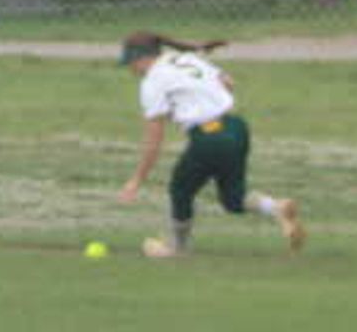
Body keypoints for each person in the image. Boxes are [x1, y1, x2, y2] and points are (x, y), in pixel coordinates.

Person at [115, 31, 305, 259]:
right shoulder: (186, 59)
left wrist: (137, 180)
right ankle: (276, 207)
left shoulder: (152, 81)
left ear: (142, 58)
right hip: (236, 127)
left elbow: (154, 139)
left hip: (209, 136)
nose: (131, 69)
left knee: (180, 189)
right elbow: (229, 83)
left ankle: (176, 248)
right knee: (233, 199)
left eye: (131, 63)